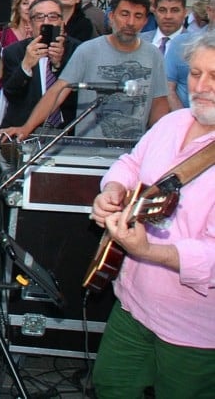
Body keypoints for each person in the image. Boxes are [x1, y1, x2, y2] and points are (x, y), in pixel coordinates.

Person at [89, 31, 215, 398]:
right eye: (195, 74)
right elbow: (131, 163)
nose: (201, 87)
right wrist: (112, 191)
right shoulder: (173, 122)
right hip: (132, 305)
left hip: (194, 331)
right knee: (110, 386)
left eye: (214, 76)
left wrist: (147, 251)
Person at [0, 0, 170, 141]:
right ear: (111, 17)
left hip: (134, 150)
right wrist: (26, 128)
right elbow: (58, 92)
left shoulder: (154, 55)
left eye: (138, 16)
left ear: (145, 21)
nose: (130, 22)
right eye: (124, 14)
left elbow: (159, 102)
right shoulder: (87, 50)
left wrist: (159, 143)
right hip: (88, 148)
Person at [0, 0, 81, 129]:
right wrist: (25, 66)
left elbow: (79, 95)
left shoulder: (77, 50)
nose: (46, 22)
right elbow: (11, 95)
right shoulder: (13, 51)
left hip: (66, 129)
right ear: (30, 24)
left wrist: (58, 66)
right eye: (39, 17)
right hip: (24, 127)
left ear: (62, 22)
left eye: (53, 17)